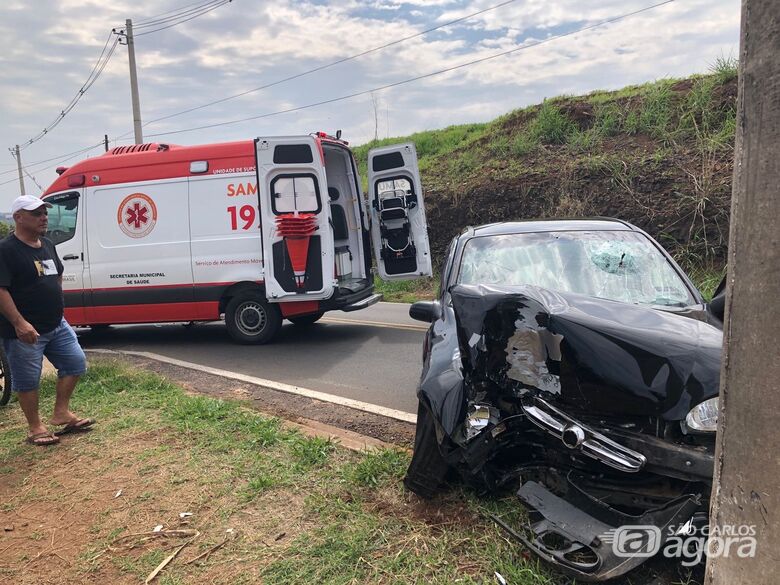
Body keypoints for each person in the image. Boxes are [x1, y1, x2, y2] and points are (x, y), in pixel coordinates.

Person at [0, 195, 91, 446]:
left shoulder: (47, 244)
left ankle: (61, 413)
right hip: (24, 330)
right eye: (37, 213)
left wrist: (57, 307)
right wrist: (19, 322)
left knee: (75, 363)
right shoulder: (6, 250)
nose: (44, 217)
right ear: (18, 217)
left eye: (44, 213)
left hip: (56, 324)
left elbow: (57, 275)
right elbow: (1, 290)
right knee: (28, 380)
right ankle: (35, 428)